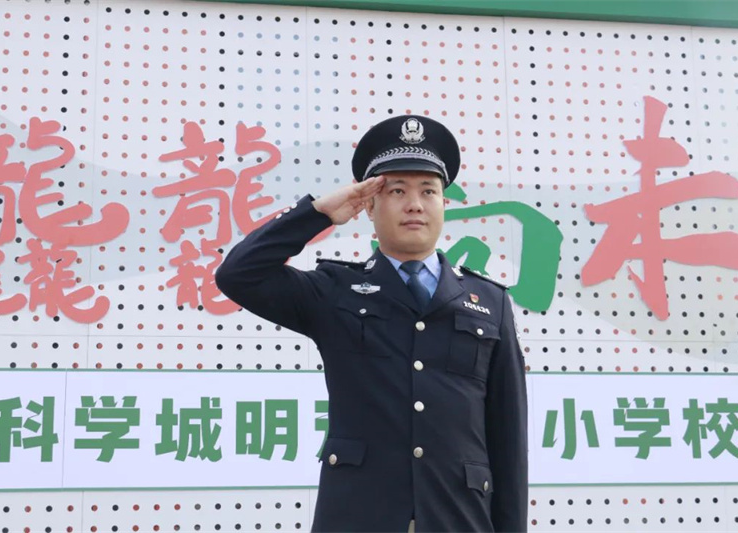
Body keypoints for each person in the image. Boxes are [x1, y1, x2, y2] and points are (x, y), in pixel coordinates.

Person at [216, 115, 528, 533]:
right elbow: (238, 275)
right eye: (396, 191)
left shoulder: (489, 302)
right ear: (368, 205)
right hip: (358, 518)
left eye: (428, 191)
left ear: (444, 205)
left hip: (460, 520)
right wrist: (318, 213)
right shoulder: (336, 291)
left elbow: (508, 440)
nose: (414, 204)